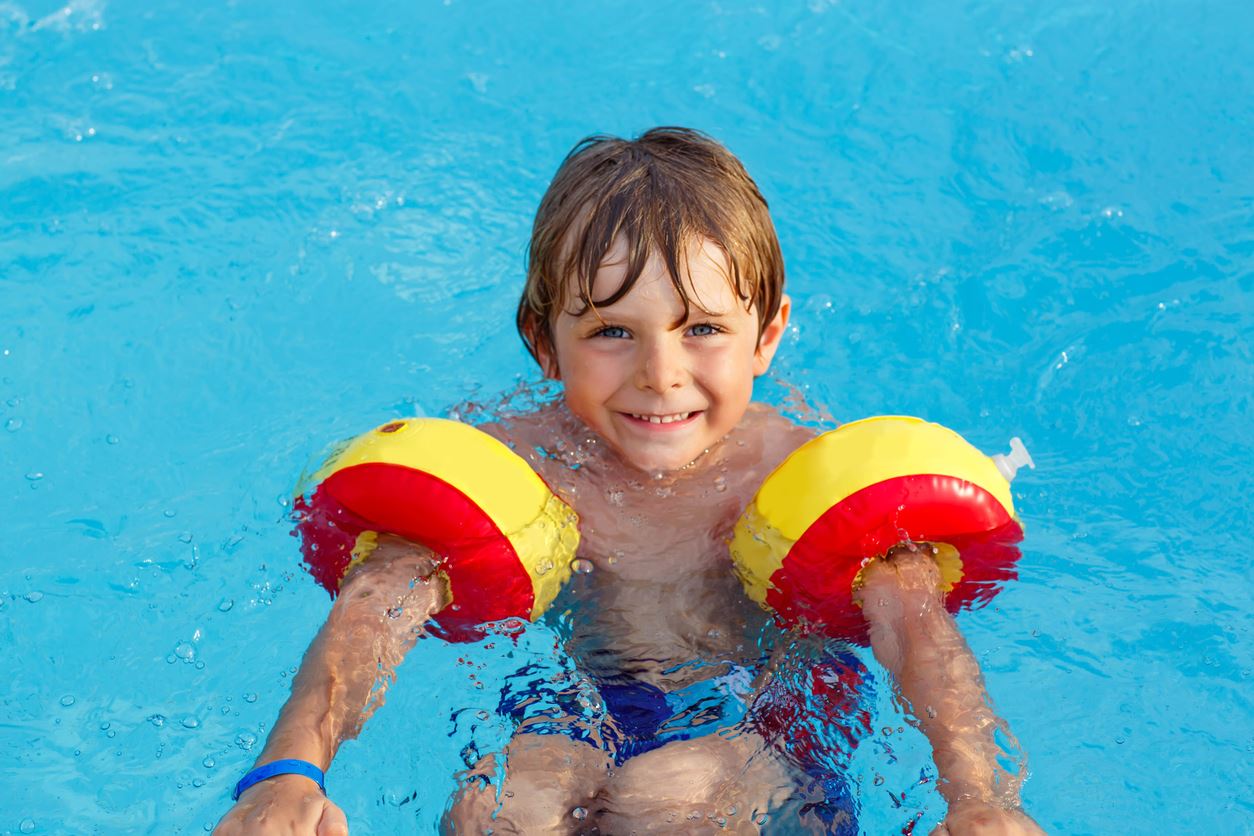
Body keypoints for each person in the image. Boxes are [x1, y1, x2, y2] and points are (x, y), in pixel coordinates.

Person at [213, 128, 1045, 835]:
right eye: (613, 330)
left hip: (773, 719)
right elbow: (381, 600)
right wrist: (288, 770)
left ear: (767, 336)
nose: (661, 374)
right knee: (506, 802)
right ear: (544, 342)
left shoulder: (790, 474)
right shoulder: (522, 461)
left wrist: (982, 798)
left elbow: (913, 627)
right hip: (581, 702)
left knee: (666, 804)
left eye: (704, 330)